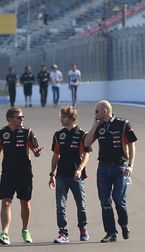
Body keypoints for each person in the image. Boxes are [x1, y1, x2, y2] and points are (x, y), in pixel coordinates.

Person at [0, 107, 42, 244]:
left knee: (25, 202)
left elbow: (36, 152)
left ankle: (25, 230)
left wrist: (37, 152)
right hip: (8, 172)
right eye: (19, 117)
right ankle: (5, 233)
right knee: (6, 202)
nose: (22, 119)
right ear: (10, 119)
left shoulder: (27, 132)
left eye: (22, 117)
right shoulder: (2, 133)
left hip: (24, 172)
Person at [82, 100, 138, 243]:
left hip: (120, 168)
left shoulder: (123, 124)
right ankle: (111, 232)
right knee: (105, 202)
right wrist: (94, 126)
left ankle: (124, 224)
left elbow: (132, 145)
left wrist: (130, 165)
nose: (95, 114)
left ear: (105, 111)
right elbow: (87, 143)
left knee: (119, 200)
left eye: (97, 111)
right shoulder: (99, 126)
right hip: (103, 168)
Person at [49, 104, 91, 243]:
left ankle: (83, 228)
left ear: (72, 118)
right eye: (60, 116)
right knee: (60, 206)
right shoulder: (58, 134)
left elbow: (86, 155)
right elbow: (55, 156)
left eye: (64, 117)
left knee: (81, 206)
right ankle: (63, 233)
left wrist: (79, 169)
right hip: (61, 175)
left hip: (76, 176)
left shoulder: (82, 134)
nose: (61, 119)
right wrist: (52, 175)